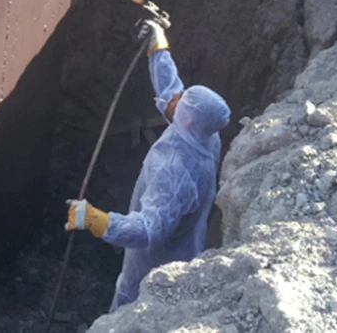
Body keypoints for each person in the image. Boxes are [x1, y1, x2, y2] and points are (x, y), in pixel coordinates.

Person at [65, 20, 231, 313]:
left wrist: (95, 219)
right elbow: (171, 92)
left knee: (131, 304)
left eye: (180, 101)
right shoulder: (204, 135)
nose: (175, 97)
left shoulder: (175, 171)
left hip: (156, 267)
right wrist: (158, 48)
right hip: (187, 243)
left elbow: (148, 230)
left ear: (187, 118)